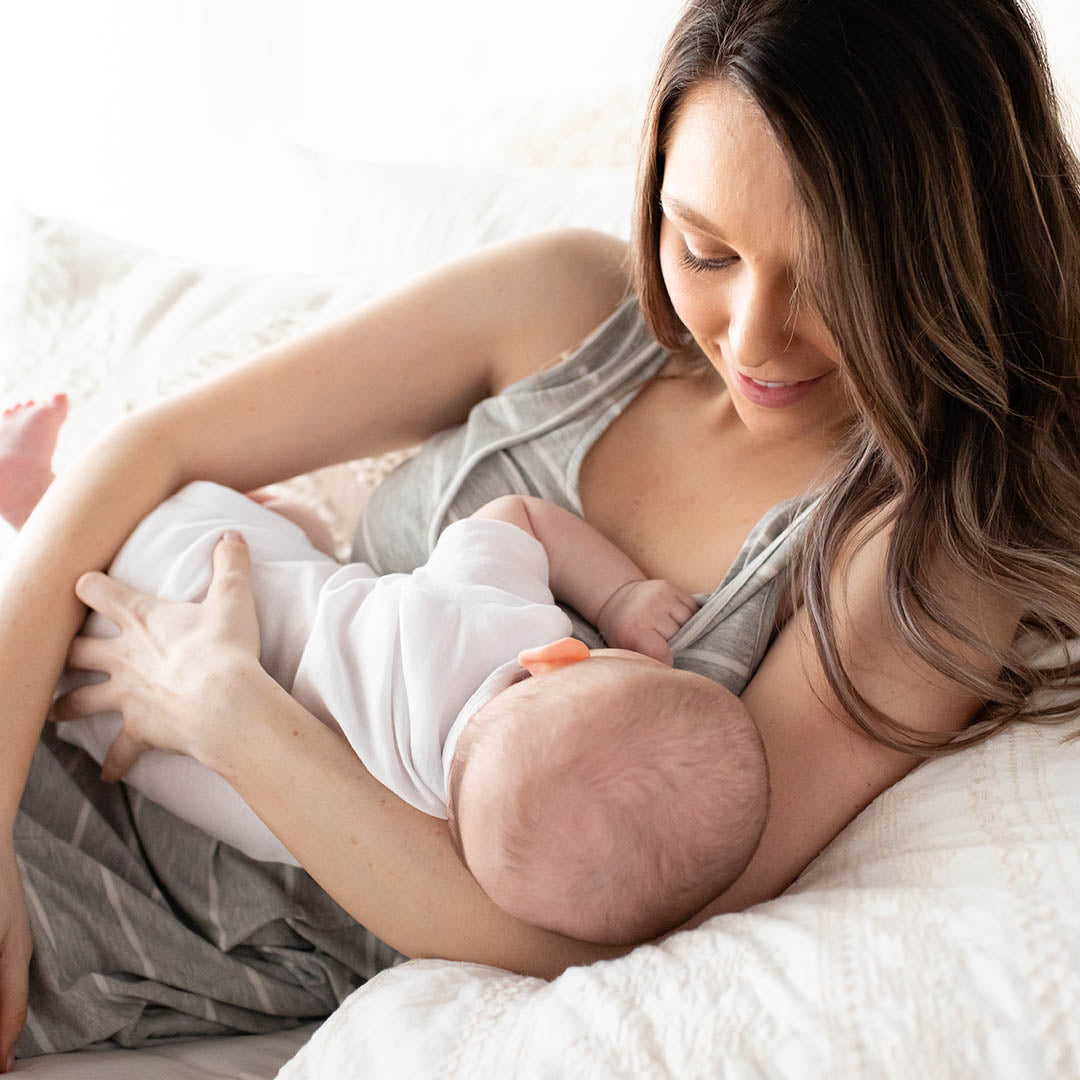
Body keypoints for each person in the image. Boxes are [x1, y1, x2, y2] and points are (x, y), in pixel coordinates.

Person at [2, 0, 1078, 1065]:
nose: (749, 338)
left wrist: (229, 714)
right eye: (705, 250)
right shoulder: (567, 305)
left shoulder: (922, 554)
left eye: (834, 277)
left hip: (164, 891)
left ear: (952, 248)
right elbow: (152, 450)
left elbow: (558, 935)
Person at [0, 403, 768, 947]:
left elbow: (518, 516)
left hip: (194, 552)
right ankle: (30, 501)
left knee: (304, 536)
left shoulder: (499, 619)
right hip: (112, 714)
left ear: (560, 657)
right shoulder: (417, 818)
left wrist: (621, 595)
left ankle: (35, 491)